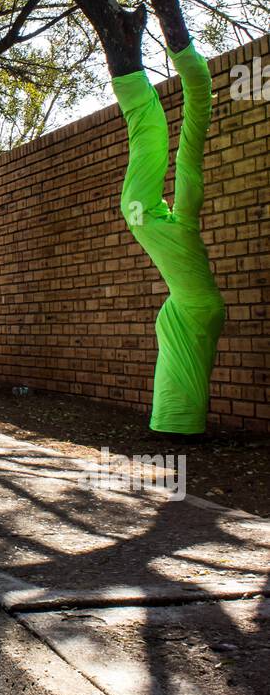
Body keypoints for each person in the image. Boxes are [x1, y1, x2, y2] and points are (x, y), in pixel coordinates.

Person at [112, 42, 225, 434]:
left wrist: (183, 58)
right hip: (195, 303)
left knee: (182, 358)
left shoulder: (179, 218)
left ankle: (176, 424)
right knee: (138, 205)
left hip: (196, 304)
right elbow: (189, 144)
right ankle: (178, 424)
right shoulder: (182, 218)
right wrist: (182, 55)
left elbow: (190, 142)